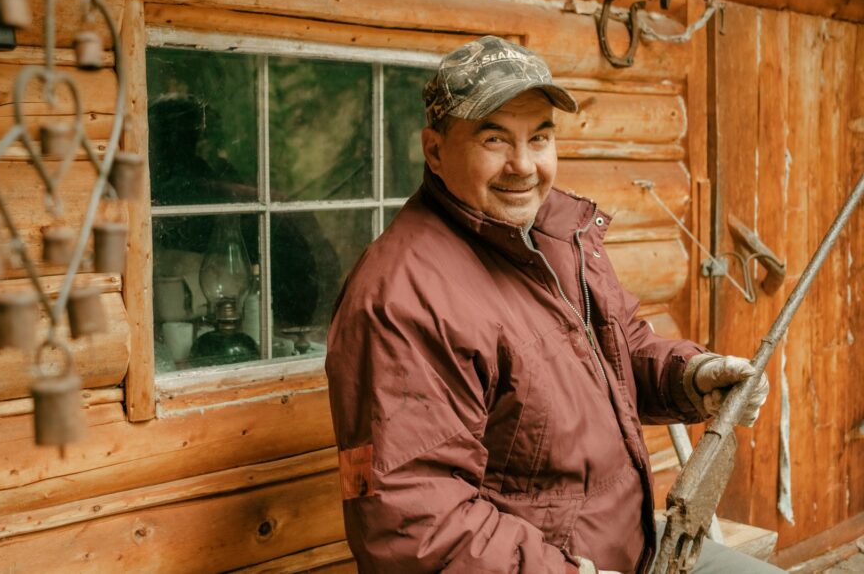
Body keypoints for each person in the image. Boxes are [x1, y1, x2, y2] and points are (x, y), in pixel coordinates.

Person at [324, 36, 777, 573]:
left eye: (538, 138)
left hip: (634, 546)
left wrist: (692, 377)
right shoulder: (403, 298)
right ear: (435, 150)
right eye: (495, 140)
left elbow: (618, 347)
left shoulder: (551, 235)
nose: (523, 165)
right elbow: (416, 525)